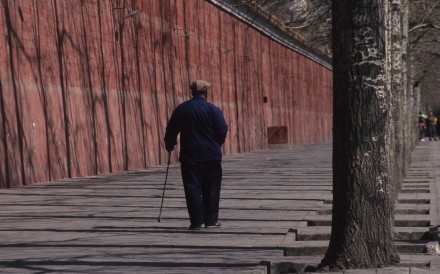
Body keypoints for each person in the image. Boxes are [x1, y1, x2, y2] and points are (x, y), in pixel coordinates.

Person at [164, 80, 228, 230]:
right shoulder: (214, 110)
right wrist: (216, 143)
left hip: (189, 155)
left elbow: (172, 128)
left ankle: (196, 222)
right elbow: (222, 130)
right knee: (211, 187)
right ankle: (211, 221)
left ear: (192, 92)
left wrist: (170, 143)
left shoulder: (182, 109)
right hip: (211, 155)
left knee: (192, 187)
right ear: (206, 93)